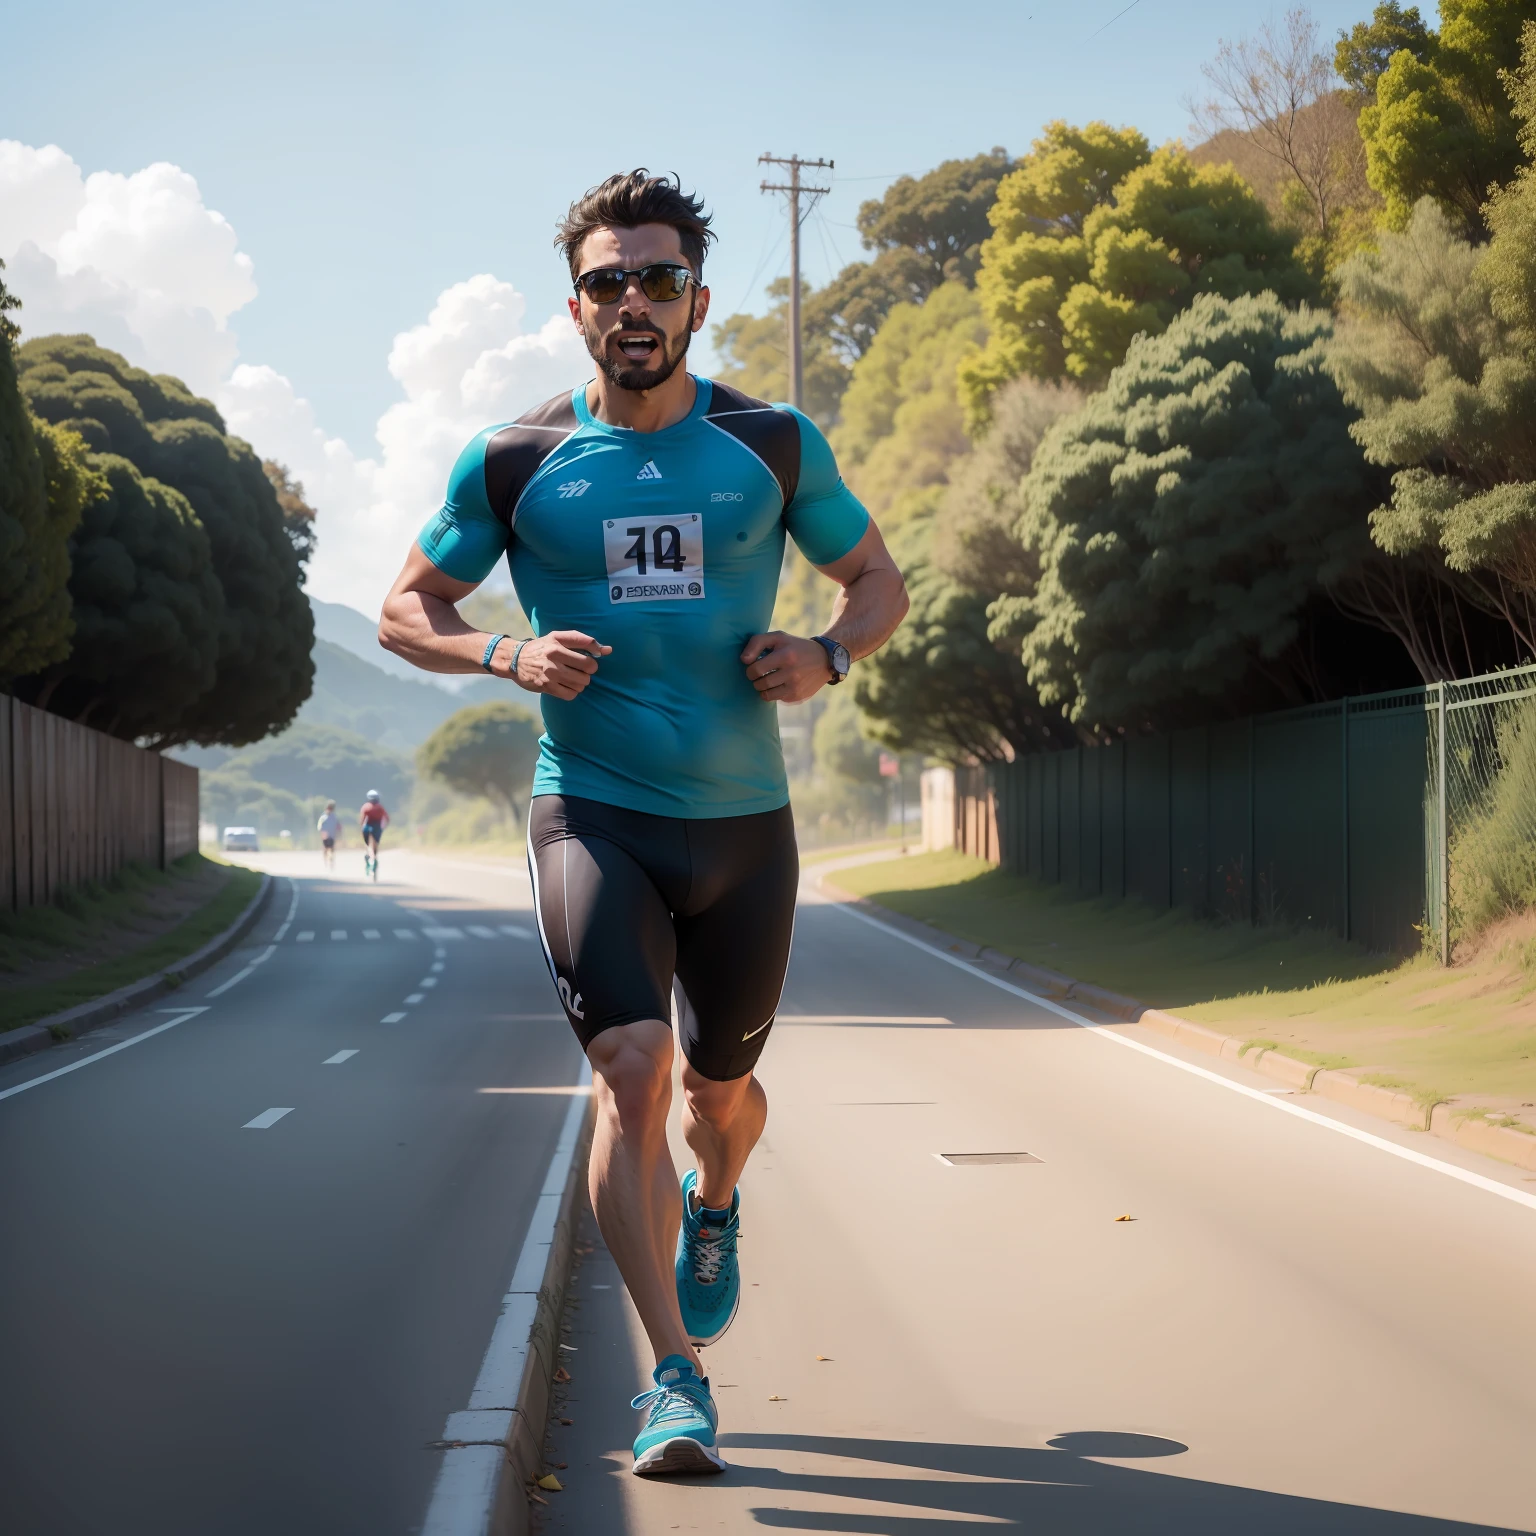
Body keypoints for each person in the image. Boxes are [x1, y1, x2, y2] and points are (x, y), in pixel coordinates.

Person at [378, 170, 907, 1478]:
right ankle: (674, 1376)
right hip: (592, 811)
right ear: (575, 306)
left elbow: (875, 578)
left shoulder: (772, 446)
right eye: (609, 280)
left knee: (718, 1100)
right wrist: (504, 660)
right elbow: (404, 607)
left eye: (657, 279)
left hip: (745, 827)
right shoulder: (515, 460)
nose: (634, 301)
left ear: (696, 300)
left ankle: (713, 1199)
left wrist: (829, 656)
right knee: (632, 1071)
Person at [358, 791, 388, 876]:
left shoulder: (366, 807)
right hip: (377, 827)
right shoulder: (380, 808)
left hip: (367, 827)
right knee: (375, 845)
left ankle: (369, 858)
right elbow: (387, 818)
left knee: (367, 845)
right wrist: (383, 827)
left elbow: (362, 819)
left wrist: (361, 827)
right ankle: (374, 858)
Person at [317, 801, 341, 869]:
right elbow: (320, 827)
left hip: (330, 835)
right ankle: (327, 862)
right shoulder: (326, 817)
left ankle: (329, 862)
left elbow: (338, 827)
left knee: (329, 849)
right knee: (327, 849)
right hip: (327, 835)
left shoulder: (332, 817)